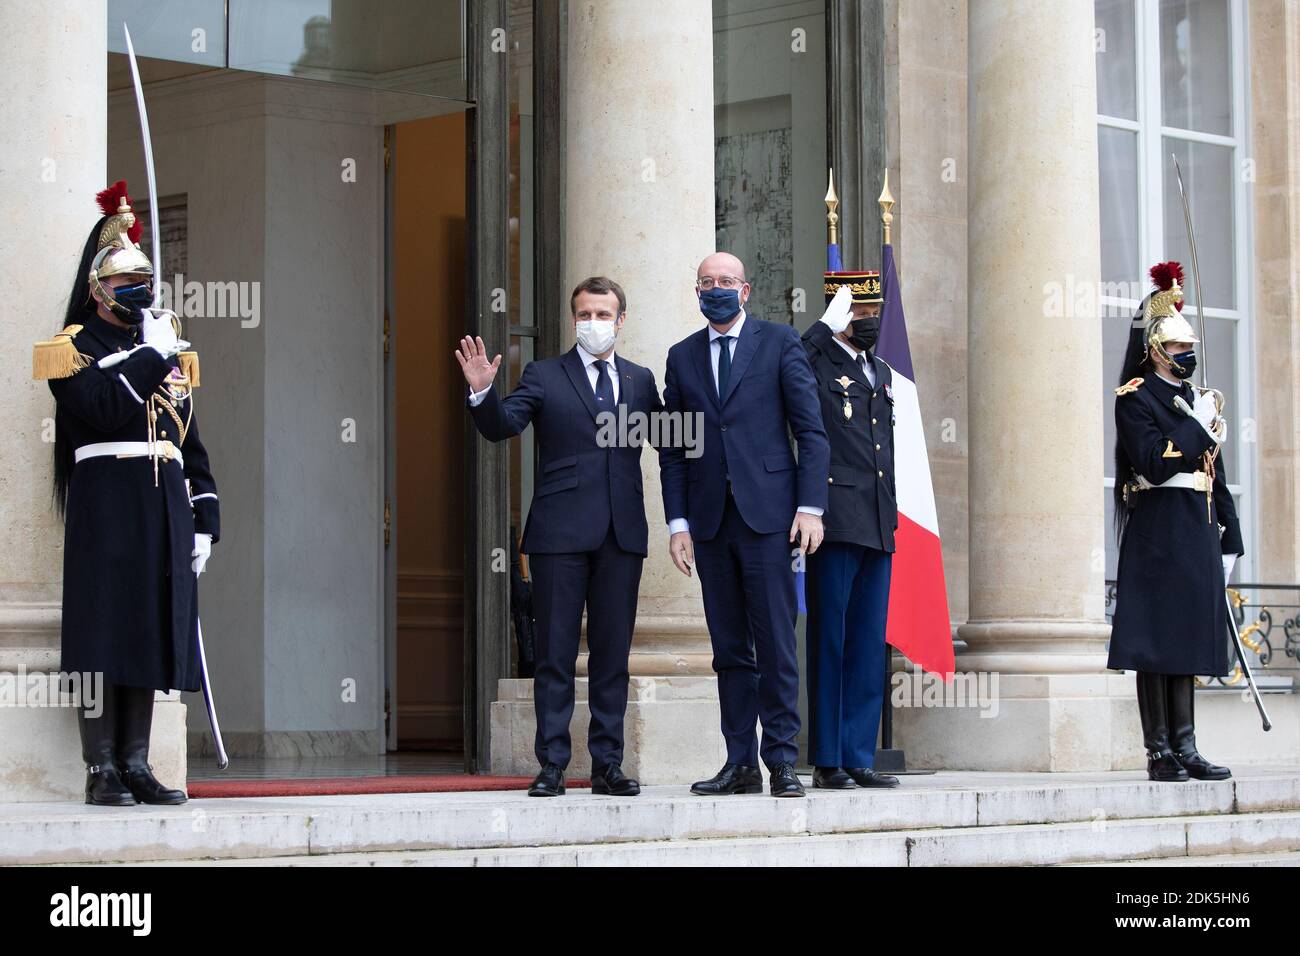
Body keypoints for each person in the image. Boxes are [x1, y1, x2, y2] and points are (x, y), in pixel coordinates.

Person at [34, 181, 219, 806]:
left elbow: (189, 441)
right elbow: (106, 409)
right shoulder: (73, 351)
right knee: (104, 627)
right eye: (124, 284)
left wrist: (203, 517)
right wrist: (149, 356)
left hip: (163, 506)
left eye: (143, 283)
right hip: (107, 503)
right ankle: (102, 766)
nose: (137, 293)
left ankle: (138, 762)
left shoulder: (166, 352)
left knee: (148, 626)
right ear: (98, 291)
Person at [456, 276, 662, 797]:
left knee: (612, 655)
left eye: (603, 313)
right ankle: (551, 764)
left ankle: (607, 766)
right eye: (585, 314)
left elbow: (673, 439)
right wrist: (482, 392)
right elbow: (502, 425)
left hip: (621, 533)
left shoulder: (639, 380)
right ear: (575, 319)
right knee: (554, 652)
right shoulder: (545, 375)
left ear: (621, 320)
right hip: (558, 535)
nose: (593, 322)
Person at [661, 252, 829, 798]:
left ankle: (781, 759)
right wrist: (678, 523)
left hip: (769, 520)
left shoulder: (779, 343)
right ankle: (739, 764)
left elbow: (812, 431)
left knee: (776, 641)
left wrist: (810, 508)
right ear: (697, 291)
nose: (716, 289)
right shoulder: (681, 357)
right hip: (709, 524)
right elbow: (673, 450)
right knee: (729, 648)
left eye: (726, 281)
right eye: (707, 281)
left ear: (746, 289)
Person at [1110, 261, 1240, 782]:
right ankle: (1159, 750)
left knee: (1184, 639)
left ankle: (1187, 746)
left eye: (1191, 349)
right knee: (1155, 642)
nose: (1188, 356)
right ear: (1157, 350)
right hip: (1159, 531)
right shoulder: (1136, 398)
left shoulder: (1194, 400)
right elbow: (1155, 464)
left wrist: (1231, 533)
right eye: (1180, 349)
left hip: (1195, 528)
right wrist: (1199, 428)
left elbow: (1215, 474)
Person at [800, 273, 901, 790]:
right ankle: (828, 757)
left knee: (866, 644)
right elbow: (786, 367)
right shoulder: (816, 361)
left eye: (872, 314)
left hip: (878, 522)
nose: (868, 322)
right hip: (835, 522)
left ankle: (860, 754)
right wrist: (821, 329)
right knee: (831, 640)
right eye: (858, 314)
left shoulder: (880, 371)